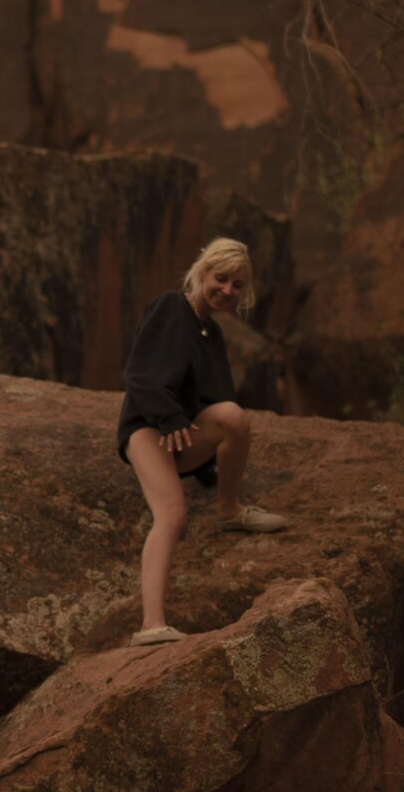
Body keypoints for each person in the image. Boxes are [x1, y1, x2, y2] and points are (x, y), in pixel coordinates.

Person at [117, 238, 288, 647]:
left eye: (237, 285)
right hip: (148, 428)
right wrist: (168, 416)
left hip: (181, 435)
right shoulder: (171, 307)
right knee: (172, 514)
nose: (227, 290)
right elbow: (139, 375)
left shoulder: (211, 333)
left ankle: (229, 510)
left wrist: (207, 466)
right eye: (221, 278)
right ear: (202, 272)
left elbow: (217, 401)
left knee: (233, 416)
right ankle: (151, 626)